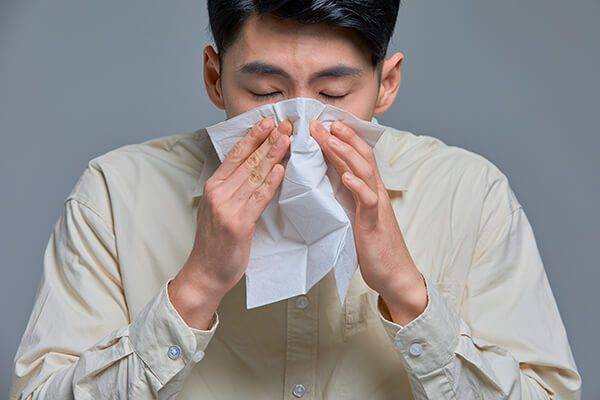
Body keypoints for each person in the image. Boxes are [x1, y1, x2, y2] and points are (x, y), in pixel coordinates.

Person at [9, 1, 581, 399]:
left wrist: (408, 292)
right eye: (266, 92)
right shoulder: (115, 193)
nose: (300, 128)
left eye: (333, 93)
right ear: (214, 76)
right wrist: (196, 287)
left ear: (386, 83)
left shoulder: (469, 193)